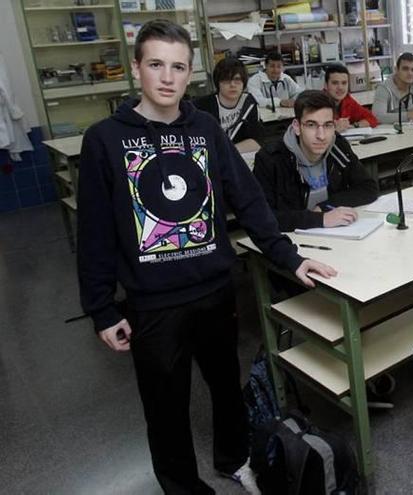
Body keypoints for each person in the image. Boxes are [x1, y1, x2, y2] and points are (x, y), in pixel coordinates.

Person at [76, 19, 336, 494]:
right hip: (153, 303)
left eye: (178, 66)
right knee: (165, 406)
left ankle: (234, 459)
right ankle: (182, 487)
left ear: (190, 71)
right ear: (138, 69)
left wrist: (290, 257)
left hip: (214, 290)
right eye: (156, 64)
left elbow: (250, 201)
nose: (168, 77)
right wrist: (100, 307)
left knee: (225, 387)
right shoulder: (104, 140)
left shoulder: (206, 131)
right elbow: (93, 231)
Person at [253, 90, 378, 232]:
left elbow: (369, 188)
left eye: (328, 125)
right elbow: (262, 217)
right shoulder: (270, 159)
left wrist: (325, 207)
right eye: (311, 125)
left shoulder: (337, 146)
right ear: (296, 127)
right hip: (290, 241)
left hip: (333, 235)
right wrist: (321, 219)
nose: (321, 135)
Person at [194, 57, 263, 153]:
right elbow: (197, 144)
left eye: (237, 79)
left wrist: (228, 151)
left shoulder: (248, 103)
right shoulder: (202, 106)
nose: (232, 85)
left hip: (238, 158)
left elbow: (256, 142)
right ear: (218, 83)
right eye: (226, 80)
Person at [323, 64, 378, 131]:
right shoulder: (317, 103)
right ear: (326, 85)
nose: (340, 87)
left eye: (344, 83)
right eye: (335, 83)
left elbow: (372, 119)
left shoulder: (347, 100)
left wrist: (354, 126)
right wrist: (334, 129)